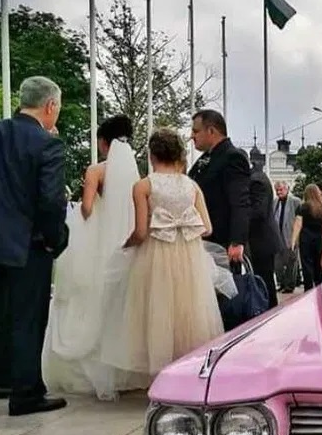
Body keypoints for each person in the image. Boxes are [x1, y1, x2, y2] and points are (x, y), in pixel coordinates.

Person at [0, 76, 68, 416]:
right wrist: (54, 239)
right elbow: (50, 201)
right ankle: (25, 392)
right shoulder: (47, 145)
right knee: (26, 320)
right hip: (27, 247)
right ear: (50, 106)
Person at [104, 129, 224, 379]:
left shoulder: (143, 186)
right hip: (189, 259)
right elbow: (208, 228)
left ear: (152, 155)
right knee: (189, 314)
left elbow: (139, 232)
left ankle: (158, 375)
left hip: (155, 258)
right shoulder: (192, 186)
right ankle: (188, 373)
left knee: (155, 312)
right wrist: (183, 230)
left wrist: (125, 246)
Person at [41, 115, 145, 399]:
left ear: (103, 142)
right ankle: (125, 370)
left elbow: (87, 208)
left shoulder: (96, 171)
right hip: (122, 247)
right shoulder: (135, 176)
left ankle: (89, 370)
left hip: (99, 246)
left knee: (87, 300)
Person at [188, 109, 250, 263]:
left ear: (211, 131)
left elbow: (240, 201)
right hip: (202, 240)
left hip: (221, 243)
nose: (191, 136)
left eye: (196, 131)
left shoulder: (233, 157)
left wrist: (237, 241)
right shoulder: (206, 158)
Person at [247, 166, 285, 308]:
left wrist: (239, 217)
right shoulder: (257, 177)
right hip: (262, 240)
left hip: (262, 241)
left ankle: (269, 313)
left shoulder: (256, 181)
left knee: (265, 282)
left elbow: (259, 211)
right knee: (265, 280)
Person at [290, 183, 322, 291]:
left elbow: (298, 225)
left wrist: (293, 241)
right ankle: (319, 287)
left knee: (306, 265)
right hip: (319, 238)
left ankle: (308, 289)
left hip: (306, 238)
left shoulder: (302, 207)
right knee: (318, 264)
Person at [273, 182, 301, 293]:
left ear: (287, 189)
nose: (279, 192)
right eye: (277, 190)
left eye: (281, 190)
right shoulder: (274, 202)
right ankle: (281, 283)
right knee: (278, 264)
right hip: (277, 236)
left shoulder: (295, 201)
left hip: (291, 236)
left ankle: (290, 285)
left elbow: (299, 220)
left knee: (291, 262)